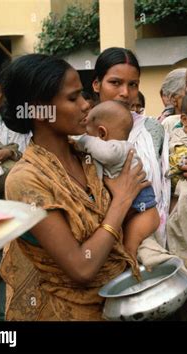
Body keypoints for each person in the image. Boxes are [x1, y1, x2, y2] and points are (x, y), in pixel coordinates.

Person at [0, 54, 149, 320]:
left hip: (117, 304)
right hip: (65, 312)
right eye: (72, 98)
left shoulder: (87, 155)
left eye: (83, 95)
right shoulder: (27, 179)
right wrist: (122, 201)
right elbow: (81, 267)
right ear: (39, 109)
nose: (85, 105)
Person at [92, 47, 169, 248]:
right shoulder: (82, 129)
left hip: (147, 235)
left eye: (133, 85)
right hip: (94, 239)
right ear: (96, 84)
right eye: (115, 82)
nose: (125, 93)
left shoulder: (152, 129)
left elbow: (164, 185)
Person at [77, 100, 160, 265]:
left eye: (88, 132)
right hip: (134, 211)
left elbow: (105, 154)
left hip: (144, 211)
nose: (86, 137)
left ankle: (136, 279)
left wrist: (83, 141)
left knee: (129, 252)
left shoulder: (120, 148)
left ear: (101, 133)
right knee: (130, 249)